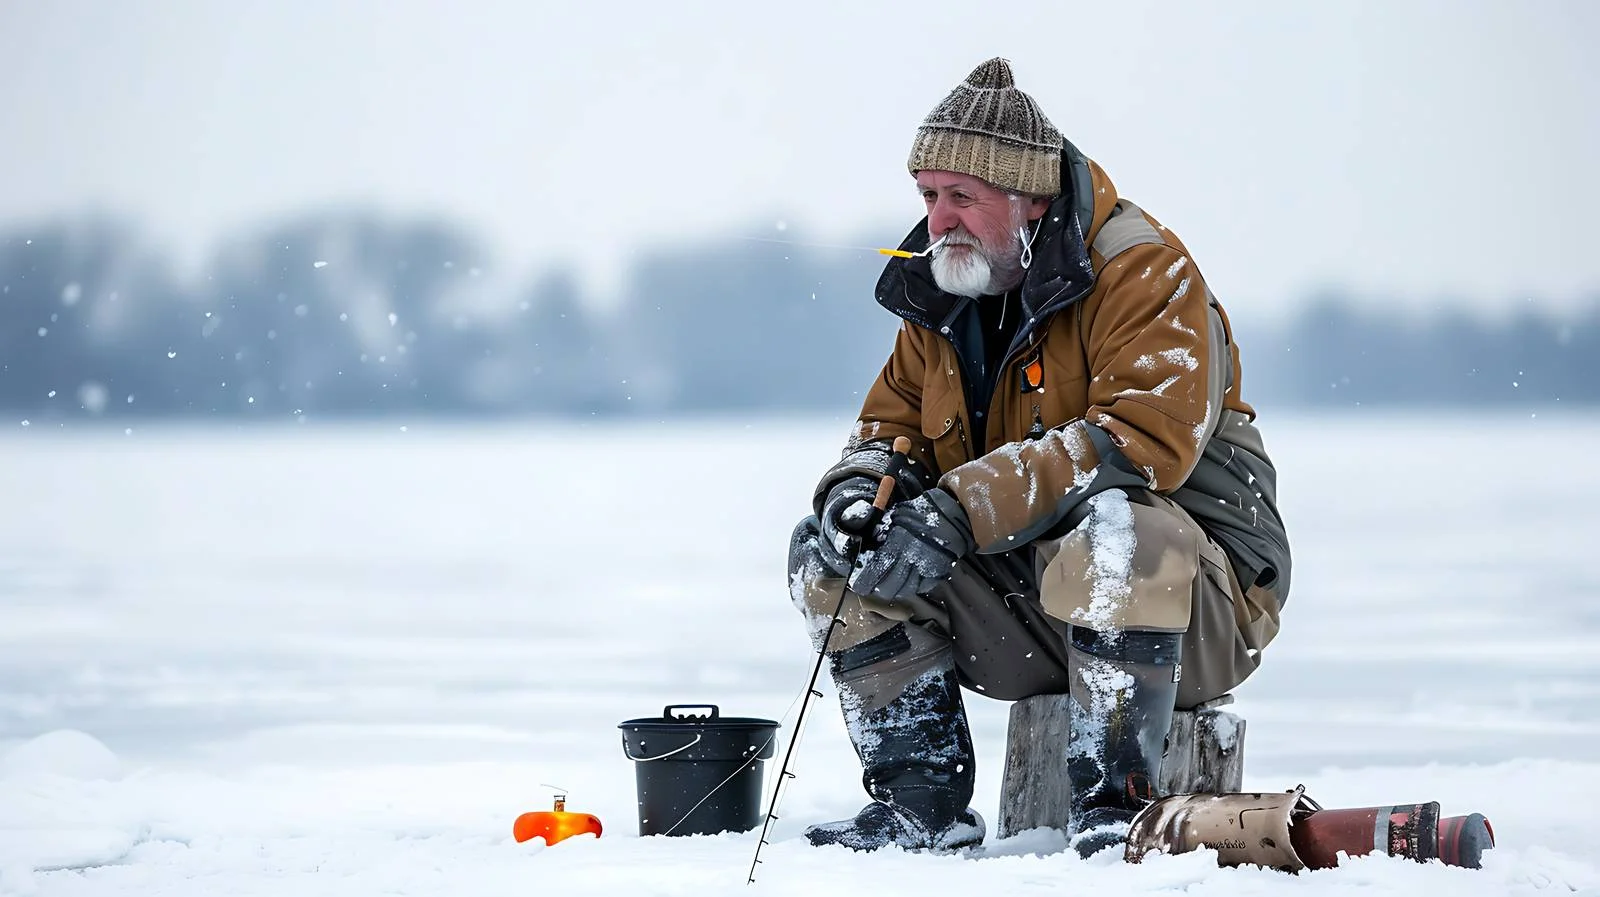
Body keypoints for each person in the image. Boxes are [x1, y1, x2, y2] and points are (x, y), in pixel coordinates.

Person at [787, 57, 1291, 858]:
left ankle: (1113, 806)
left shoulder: (1143, 269)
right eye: (928, 195)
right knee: (831, 552)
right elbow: (890, 432)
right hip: (1036, 602)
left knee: (1123, 526)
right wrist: (859, 495)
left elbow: (1141, 440)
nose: (939, 218)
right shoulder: (944, 288)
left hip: (1199, 606)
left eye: (962, 197)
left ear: (1030, 197)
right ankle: (920, 805)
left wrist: (957, 509)